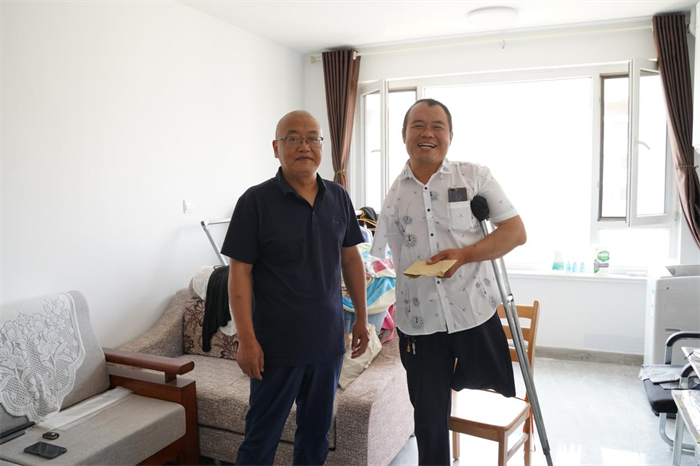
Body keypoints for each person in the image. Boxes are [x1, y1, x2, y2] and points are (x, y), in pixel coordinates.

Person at [370, 99, 527, 466]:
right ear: (404, 135)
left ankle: (451, 379)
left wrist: (465, 255)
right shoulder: (394, 195)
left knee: (496, 380)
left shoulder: (474, 176)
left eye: (437, 126)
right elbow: (387, 258)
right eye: (418, 125)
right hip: (420, 324)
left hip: (472, 312)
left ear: (450, 135)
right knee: (429, 422)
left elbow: (515, 232)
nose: (428, 133)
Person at [221, 110, 369, 466]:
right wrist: (246, 340)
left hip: (327, 344)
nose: (304, 146)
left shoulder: (339, 197)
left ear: (323, 146)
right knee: (261, 438)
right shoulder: (254, 202)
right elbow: (238, 275)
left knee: (316, 437)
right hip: (275, 348)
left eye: (312, 138)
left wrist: (362, 318)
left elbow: (351, 260)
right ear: (276, 148)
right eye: (293, 138)